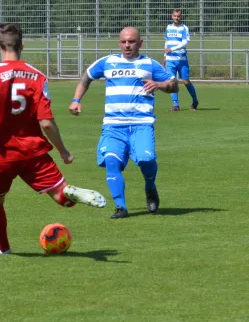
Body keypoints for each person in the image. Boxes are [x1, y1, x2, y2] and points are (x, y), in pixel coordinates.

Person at [0, 23, 106, 254]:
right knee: (63, 197)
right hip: (33, 153)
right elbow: (46, 122)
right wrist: (63, 150)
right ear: (22, 45)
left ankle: (3, 247)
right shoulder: (39, 76)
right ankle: (71, 191)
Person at [69, 27, 178, 219]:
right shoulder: (107, 62)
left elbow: (173, 84)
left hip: (141, 124)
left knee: (146, 160)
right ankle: (121, 207)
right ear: (119, 43)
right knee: (112, 161)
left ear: (140, 43)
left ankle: (150, 186)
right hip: (113, 125)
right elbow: (86, 78)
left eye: (132, 41)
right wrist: (76, 100)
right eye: (124, 41)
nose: (127, 45)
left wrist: (159, 85)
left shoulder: (149, 64)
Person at [163, 9, 199, 111]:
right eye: (175, 16)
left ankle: (195, 101)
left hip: (181, 59)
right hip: (170, 60)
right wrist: (165, 56)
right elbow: (167, 42)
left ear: (181, 17)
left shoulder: (184, 28)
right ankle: (176, 105)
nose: (176, 18)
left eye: (178, 16)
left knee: (186, 82)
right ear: (172, 16)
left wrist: (172, 49)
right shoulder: (168, 27)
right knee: (172, 81)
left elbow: (184, 43)